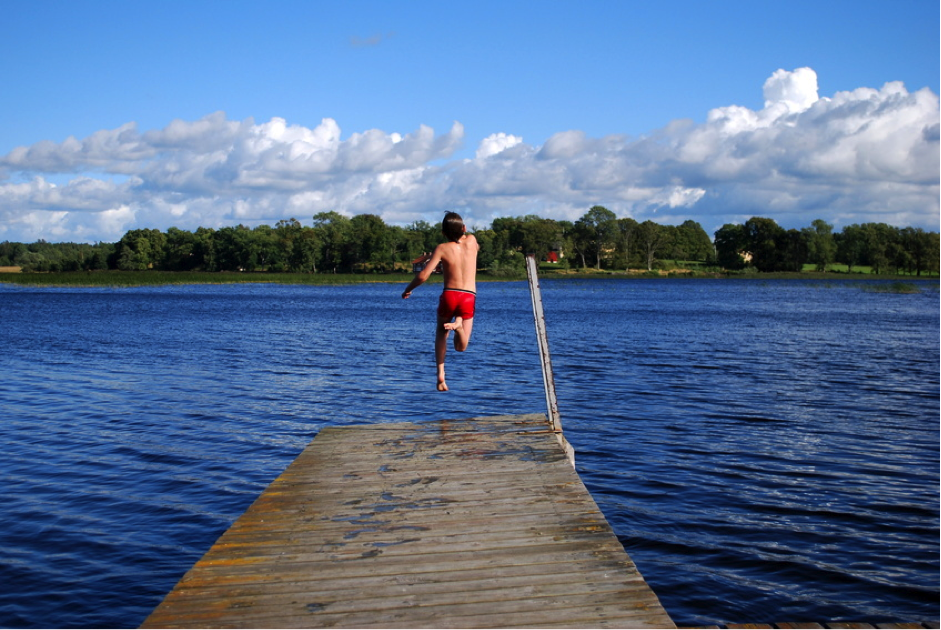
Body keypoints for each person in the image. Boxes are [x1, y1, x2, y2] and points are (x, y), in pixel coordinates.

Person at [402, 212, 479, 391]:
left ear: (443, 233)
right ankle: (459, 325)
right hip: (468, 296)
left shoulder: (442, 248)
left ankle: (441, 375)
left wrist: (408, 289)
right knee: (461, 347)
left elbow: (423, 275)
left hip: (450, 295)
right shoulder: (472, 241)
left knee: (440, 333)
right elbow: (471, 243)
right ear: (464, 229)